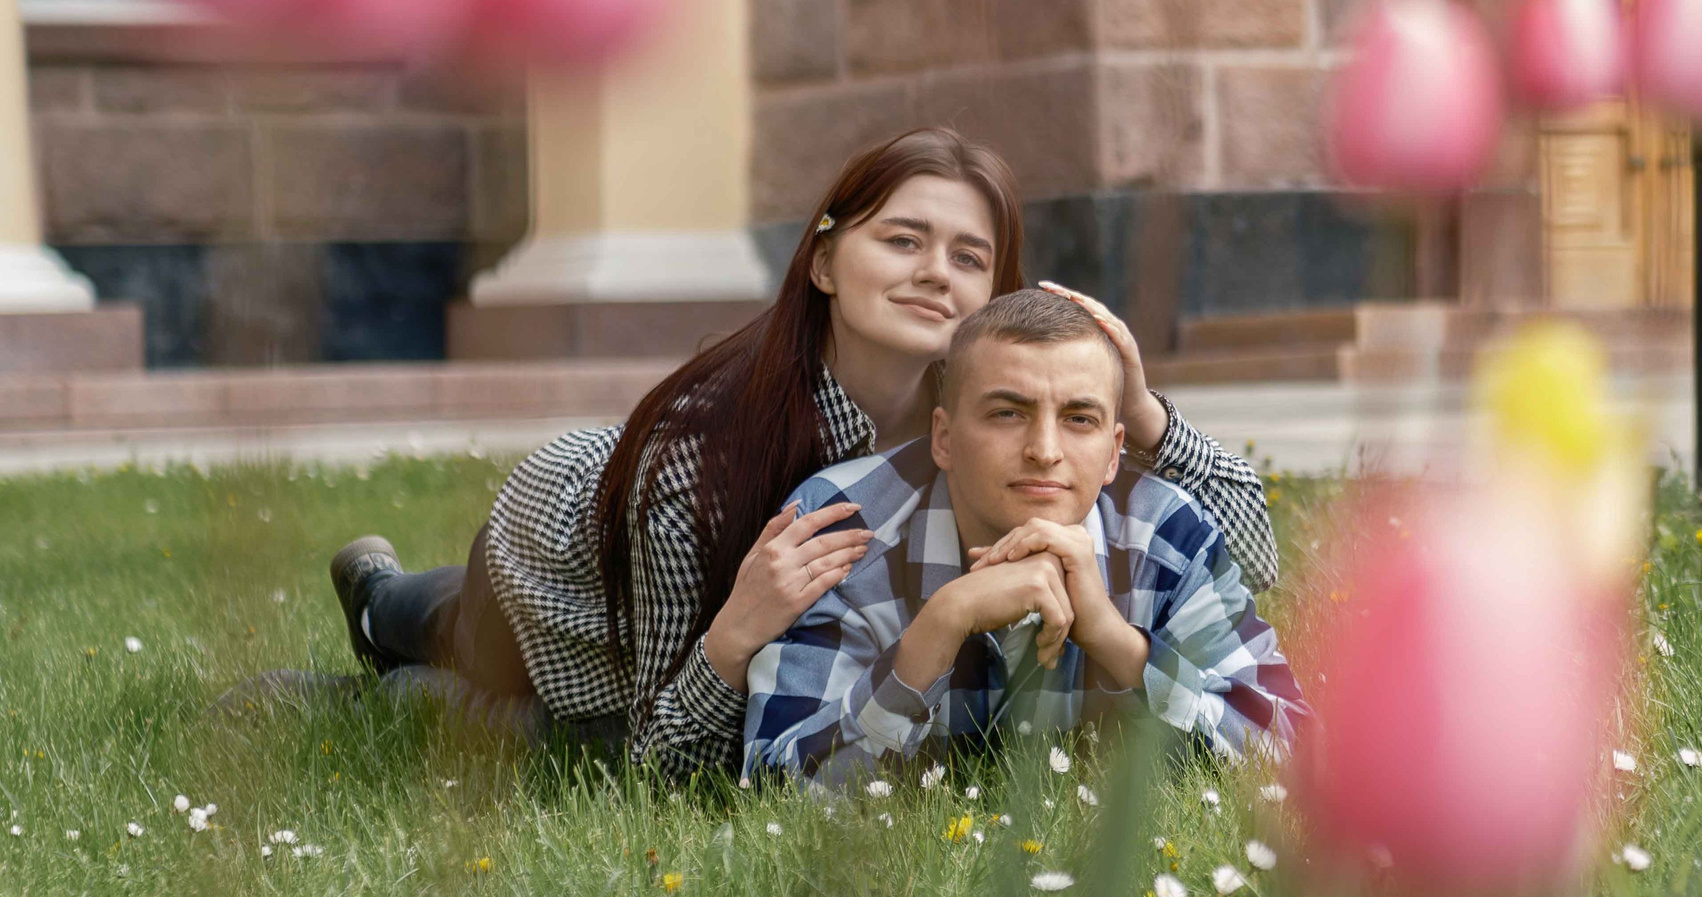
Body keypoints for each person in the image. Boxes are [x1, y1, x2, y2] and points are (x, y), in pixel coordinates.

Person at [322, 128, 1277, 778]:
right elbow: (674, 742)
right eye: (903, 239)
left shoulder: (992, 415)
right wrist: (739, 628)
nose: (936, 272)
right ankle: (377, 618)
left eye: (969, 257)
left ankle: (389, 609)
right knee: (545, 719)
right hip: (573, 584)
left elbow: (1253, 559)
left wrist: (1143, 414)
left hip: (708, 611)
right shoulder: (699, 465)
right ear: (823, 261)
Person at [742, 290, 1304, 787]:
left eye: (1079, 419)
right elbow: (775, 787)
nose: (1044, 450)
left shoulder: (1162, 532)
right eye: (1008, 412)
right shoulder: (844, 530)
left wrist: (1115, 640)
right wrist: (937, 629)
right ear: (943, 437)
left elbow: (1292, 751)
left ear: (1114, 453)